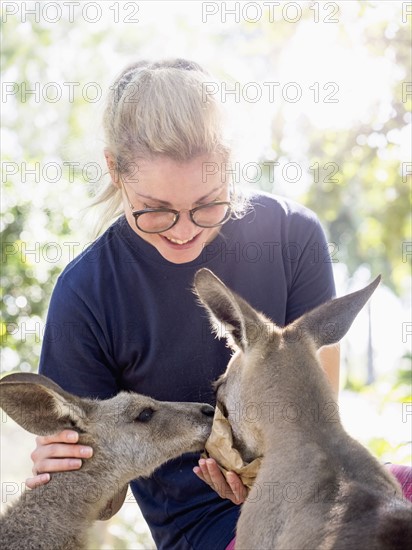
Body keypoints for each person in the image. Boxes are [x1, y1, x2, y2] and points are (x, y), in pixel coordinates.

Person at [26, 58, 341, 550]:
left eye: (207, 203)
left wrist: (266, 475)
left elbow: (323, 420)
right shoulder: (87, 293)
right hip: (207, 531)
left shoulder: (291, 238)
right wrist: (72, 473)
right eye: (156, 210)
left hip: (317, 496)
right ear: (115, 170)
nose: (184, 230)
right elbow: (101, 499)